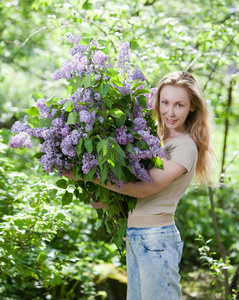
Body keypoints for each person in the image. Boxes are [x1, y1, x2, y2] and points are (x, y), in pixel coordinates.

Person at [65, 71, 215, 300]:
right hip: (138, 236)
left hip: (156, 240)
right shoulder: (157, 139)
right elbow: (142, 195)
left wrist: (90, 176)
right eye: (164, 102)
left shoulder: (184, 146)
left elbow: (146, 188)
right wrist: (108, 201)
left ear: (192, 107)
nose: (170, 112)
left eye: (179, 105)